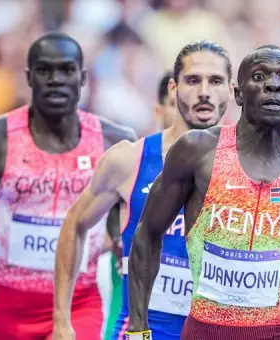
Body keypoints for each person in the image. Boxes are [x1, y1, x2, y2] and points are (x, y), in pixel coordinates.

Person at [0, 31, 136, 340]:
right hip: (11, 308)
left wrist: (119, 236)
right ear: (28, 77)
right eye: (44, 70)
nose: (55, 79)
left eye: (66, 70)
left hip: (81, 302)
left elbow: (127, 211)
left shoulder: (115, 143)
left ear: (83, 77)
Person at [53, 40, 234, 340]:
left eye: (215, 81)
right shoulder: (130, 159)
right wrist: (61, 320)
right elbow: (74, 223)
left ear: (231, 91)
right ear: (173, 89)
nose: (204, 91)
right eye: (193, 80)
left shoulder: (248, 168)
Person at [101, 69, 177, 340]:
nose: (182, 111)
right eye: (173, 103)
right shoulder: (131, 163)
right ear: (158, 110)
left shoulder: (213, 169)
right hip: (132, 323)